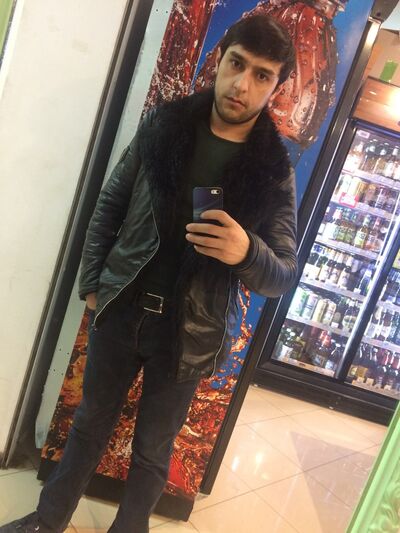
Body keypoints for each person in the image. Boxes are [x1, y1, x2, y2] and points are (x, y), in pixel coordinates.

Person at [1, 13, 297, 533]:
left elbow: (282, 275)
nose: (243, 85)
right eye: (237, 64)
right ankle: (47, 521)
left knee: (153, 450)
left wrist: (247, 251)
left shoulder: (273, 170)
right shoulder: (165, 126)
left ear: (277, 86)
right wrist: (92, 285)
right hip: (123, 308)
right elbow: (110, 204)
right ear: (220, 60)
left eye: (262, 76)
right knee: (87, 428)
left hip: (190, 333)